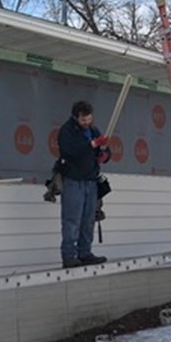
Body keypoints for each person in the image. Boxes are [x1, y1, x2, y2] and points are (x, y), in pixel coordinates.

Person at [57, 100, 110, 268]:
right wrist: (92, 144)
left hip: (90, 181)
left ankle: (85, 252)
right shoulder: (67, 131)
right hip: (73, 180)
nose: (87, 123)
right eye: (83, 120)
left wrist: (105, 155)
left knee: (88, 220)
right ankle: (69, 255)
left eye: (89, 119)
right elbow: (70, 151)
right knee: (72, 220)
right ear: (75, 117)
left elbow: (105, 149)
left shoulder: (93, 130)